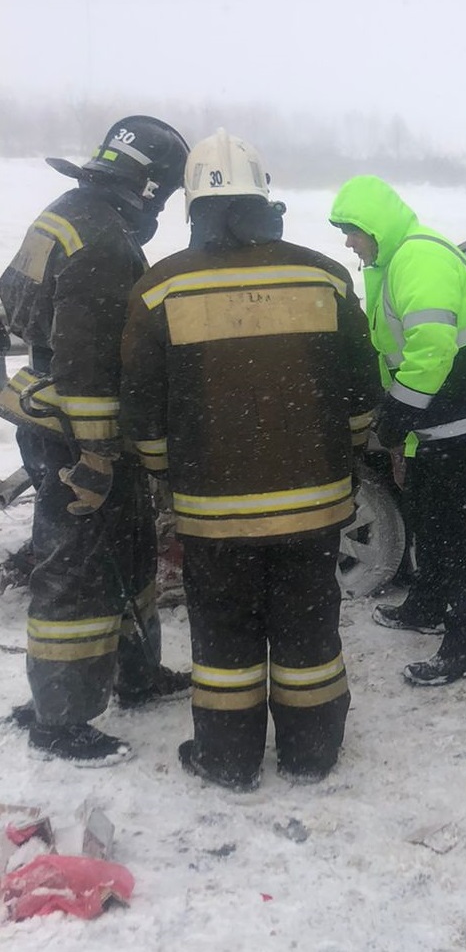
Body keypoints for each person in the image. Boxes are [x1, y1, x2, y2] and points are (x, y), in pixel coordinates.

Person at [121, 131, 381, 791]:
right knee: (308, 630)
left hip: (215, 515)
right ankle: (310, 752)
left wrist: (167, 473)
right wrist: (340, 455)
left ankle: (230, 759)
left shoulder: (158, 291)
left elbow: (143, 415)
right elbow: (360, 393)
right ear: (264, 198)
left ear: (193, 206)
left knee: (226, 641)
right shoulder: (323, 274)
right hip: (315, 503)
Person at [0, 116, 193, 765]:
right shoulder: (105, 243)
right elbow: (85, 369)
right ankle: (58, 716)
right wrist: (94, 459)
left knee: (131, 553)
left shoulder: (65, 213)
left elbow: (8, 302)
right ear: (149, 189)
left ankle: (136, 676)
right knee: (75, 573)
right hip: (79, 436)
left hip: (48, 417)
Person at [329, 175, 466, 686]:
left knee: (450, 531)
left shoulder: (418, 259)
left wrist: (395, 417)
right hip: (438, 421)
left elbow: (431, 349)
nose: (349, 242)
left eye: (352, 231)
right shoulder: (394, 263)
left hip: (459, 420)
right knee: (427, 518)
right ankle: (428, 604)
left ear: (374, 226)